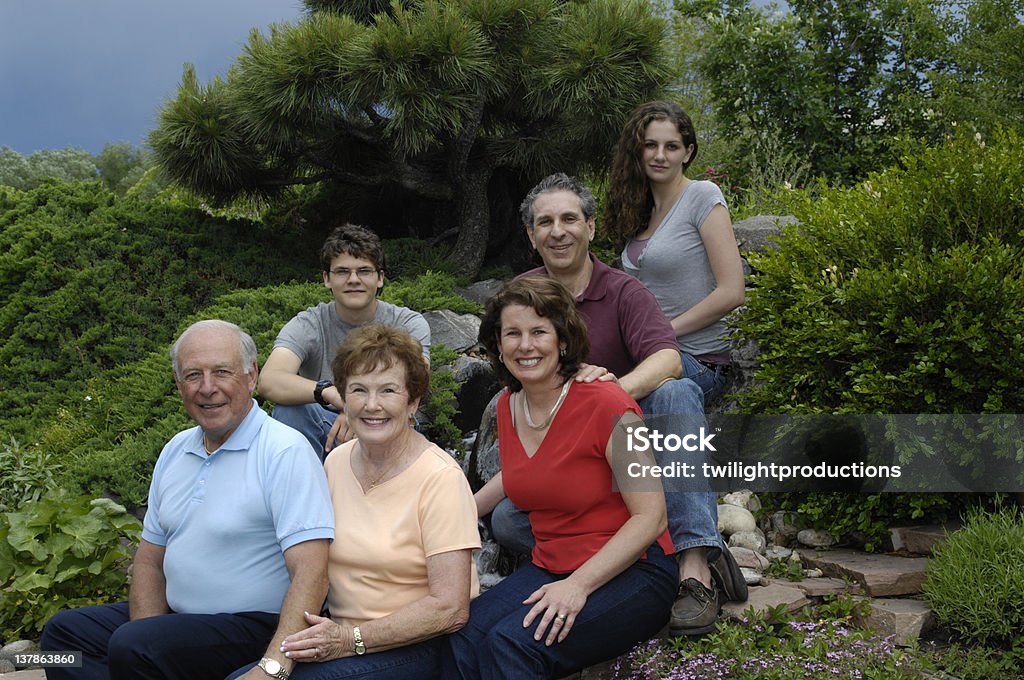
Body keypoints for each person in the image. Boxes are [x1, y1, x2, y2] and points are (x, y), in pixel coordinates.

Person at [490, 173, 747, 637]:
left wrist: (611, 394)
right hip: (572, 468)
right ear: (530, 235)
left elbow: (669, 358)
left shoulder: (624, 290)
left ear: (590, 227)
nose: (557, 230)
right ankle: (631, 560)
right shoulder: (522, 296)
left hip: (632, 447)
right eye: (544, 222)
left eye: (570, 218)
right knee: (508, 518)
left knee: (675, 391)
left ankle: (693, 566)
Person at [40, 320, 335, 680]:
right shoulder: (176, 450)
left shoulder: (284, 451)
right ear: (179, 385)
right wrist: (149, 630)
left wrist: (273, 667)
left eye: (221, 372)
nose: (207, 388)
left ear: (251, 376)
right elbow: (149, 561)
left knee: (135, 645)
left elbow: (312, 572)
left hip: (254, 627)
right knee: (64, 637)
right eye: (193, 375)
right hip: (180, 622)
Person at [443, 277, 676, 679]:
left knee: (511, 644)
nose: (525, 345)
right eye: (512, 333)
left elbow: (651, 517)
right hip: (552, 563)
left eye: (539, 332)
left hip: (634, 570)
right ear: (498, 345)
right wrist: (440, 522)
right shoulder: (508, 406)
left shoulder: (610, 403)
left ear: (562, 341)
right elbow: (520, 473)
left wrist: (578, 586)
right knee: (461, 638)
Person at [231, 324, 480, 679]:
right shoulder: (336, 461)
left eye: (389, 390)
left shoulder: (441, 478)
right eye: (359, 390)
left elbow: (450, 607)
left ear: (414, 401)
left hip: (417, 646)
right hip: (338, 635)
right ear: (343, 399)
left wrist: (350, 639)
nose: (372, 405)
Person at [604, 100, 745, 403]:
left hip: (697, 360)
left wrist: (664, 331)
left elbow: (732, 292)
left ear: (688, 153)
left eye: (671, 147)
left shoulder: (702, 196)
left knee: (620, 397)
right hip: (645, 353)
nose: (659, 156)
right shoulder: (637, 210)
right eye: (650, 145)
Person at [259, 224, 430, 459]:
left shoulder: (408, 323)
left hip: (389, 421)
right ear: (327, 279)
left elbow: (415, 387)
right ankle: (304, 490)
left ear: (380, 278)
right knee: (289, 412)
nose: (353, 280)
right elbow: (269, 380)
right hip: (326, 426)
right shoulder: (310, 323)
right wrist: (330, 394)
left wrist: (359, 413)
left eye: (364, 271)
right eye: (342, 272)